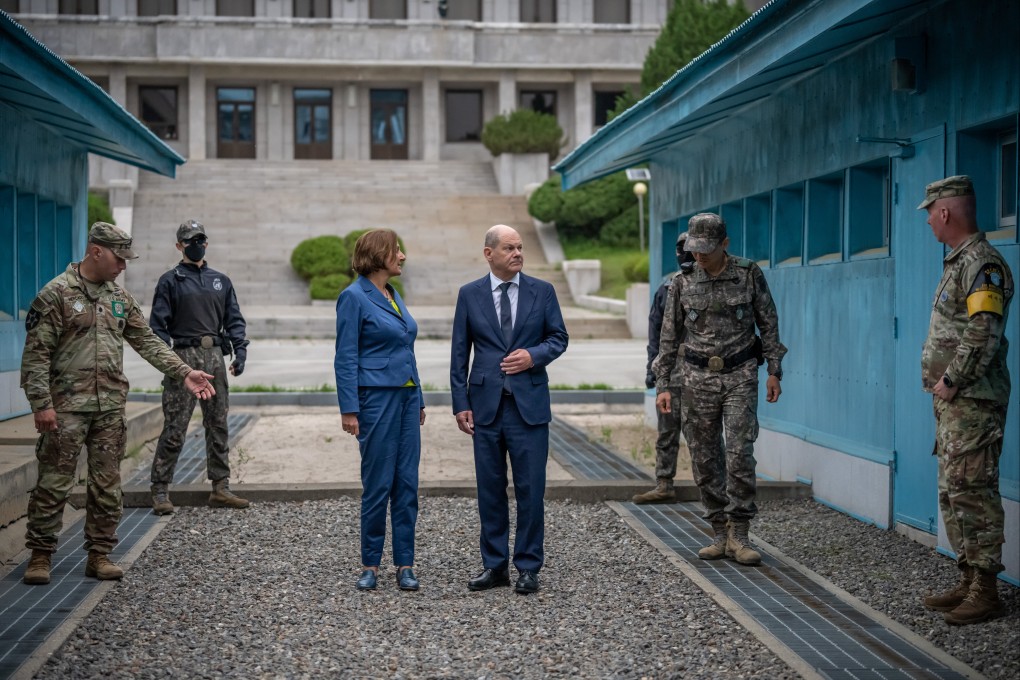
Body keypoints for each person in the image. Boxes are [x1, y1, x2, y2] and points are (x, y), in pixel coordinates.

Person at [20, 222, 216, 586]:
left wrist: (184, 370)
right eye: (119, 258)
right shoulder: (57, 294)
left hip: (109, 407)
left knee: (107, 485)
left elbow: (148, 341)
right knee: (53, 482)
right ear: (96, 251)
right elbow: (36, 355)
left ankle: (100, 554)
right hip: (65, 408)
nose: (124, 266)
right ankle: (40, 555)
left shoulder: (119, 298)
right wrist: (41, 404)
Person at [653, 213, 786, 566]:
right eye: (694, 250)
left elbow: (768, 323)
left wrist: (774, 370)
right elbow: (669, 338)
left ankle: (740, 533)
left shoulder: (748, 273)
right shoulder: (681, 283)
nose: (699, 257)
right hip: (696, 378)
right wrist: (663, 384)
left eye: (706, 250)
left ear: (725, 244)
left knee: (740, 452)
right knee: (705, 456)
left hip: (740, 373)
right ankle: (718, 530)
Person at [450, 225, 569, 594]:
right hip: (485, 408)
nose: (518, 253)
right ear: (489, 254)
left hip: (529, 408)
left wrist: (533, 355)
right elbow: (459, 353)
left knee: (531, 490)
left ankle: (528, 566)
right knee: (490, 489)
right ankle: (494, 565)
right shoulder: (469, 295)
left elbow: (559, 338)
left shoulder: (542, 291)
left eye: (520, 247)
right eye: (509, 248)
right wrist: (460, 404)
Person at [917, 175, 1014, 625]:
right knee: (954, 490)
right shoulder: (958, 261)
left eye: (930, 215)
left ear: (945, 212)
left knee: (973, 491)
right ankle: (967, 577)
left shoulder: (982, 263)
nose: (930, 225)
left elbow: (984, 329)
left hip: (974, 399)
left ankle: (986, 590)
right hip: (957, 403)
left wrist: (953, 378)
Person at [334, 229, 425, 592]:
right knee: (378, 484)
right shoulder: (353, 297)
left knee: (407, 483)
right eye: (396, 251)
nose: (402, 256)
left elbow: (407, 347)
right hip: (375, 401)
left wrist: (419, 397)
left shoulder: (393, 295)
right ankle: (370, 563)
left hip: (406, 399)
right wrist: (349, 410)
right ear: (379, 255)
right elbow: (345, 357)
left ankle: (405, 564)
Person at [148, 220, 250, 513]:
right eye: (191, 240)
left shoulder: (221, 280)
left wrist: (239, 352)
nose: (197, 245)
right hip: (183, 358)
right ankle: (160, 490)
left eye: (201, 239)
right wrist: (170, 362)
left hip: (215, 357)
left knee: (218, 423)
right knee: (176, 426)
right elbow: (158, 326)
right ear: (179, 245)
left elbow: (234, 319)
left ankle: (220, 487)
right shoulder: (170, 280)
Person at [634, 231, 695, 504]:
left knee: (702, 437)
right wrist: (653, 371)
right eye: (681, 248)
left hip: (702, 376)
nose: (686, 254)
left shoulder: (715, 286)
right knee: (667, 433)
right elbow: (655, 335)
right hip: (670, 374)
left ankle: (712, 490)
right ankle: (664, 483)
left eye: (690, 248)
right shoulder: (668, 288)